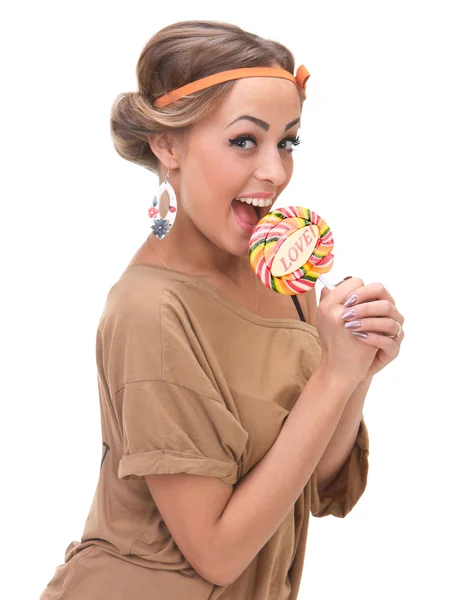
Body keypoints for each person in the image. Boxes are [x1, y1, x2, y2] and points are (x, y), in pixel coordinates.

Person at [39, 19, 404, 600]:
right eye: (244, 141)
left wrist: (353, 372)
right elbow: (216, 552)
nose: (275, 172)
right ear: (168, 145)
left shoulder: (285, 275)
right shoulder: (149, 311)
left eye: (287, 141)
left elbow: (313, 485)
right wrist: (332, 376)